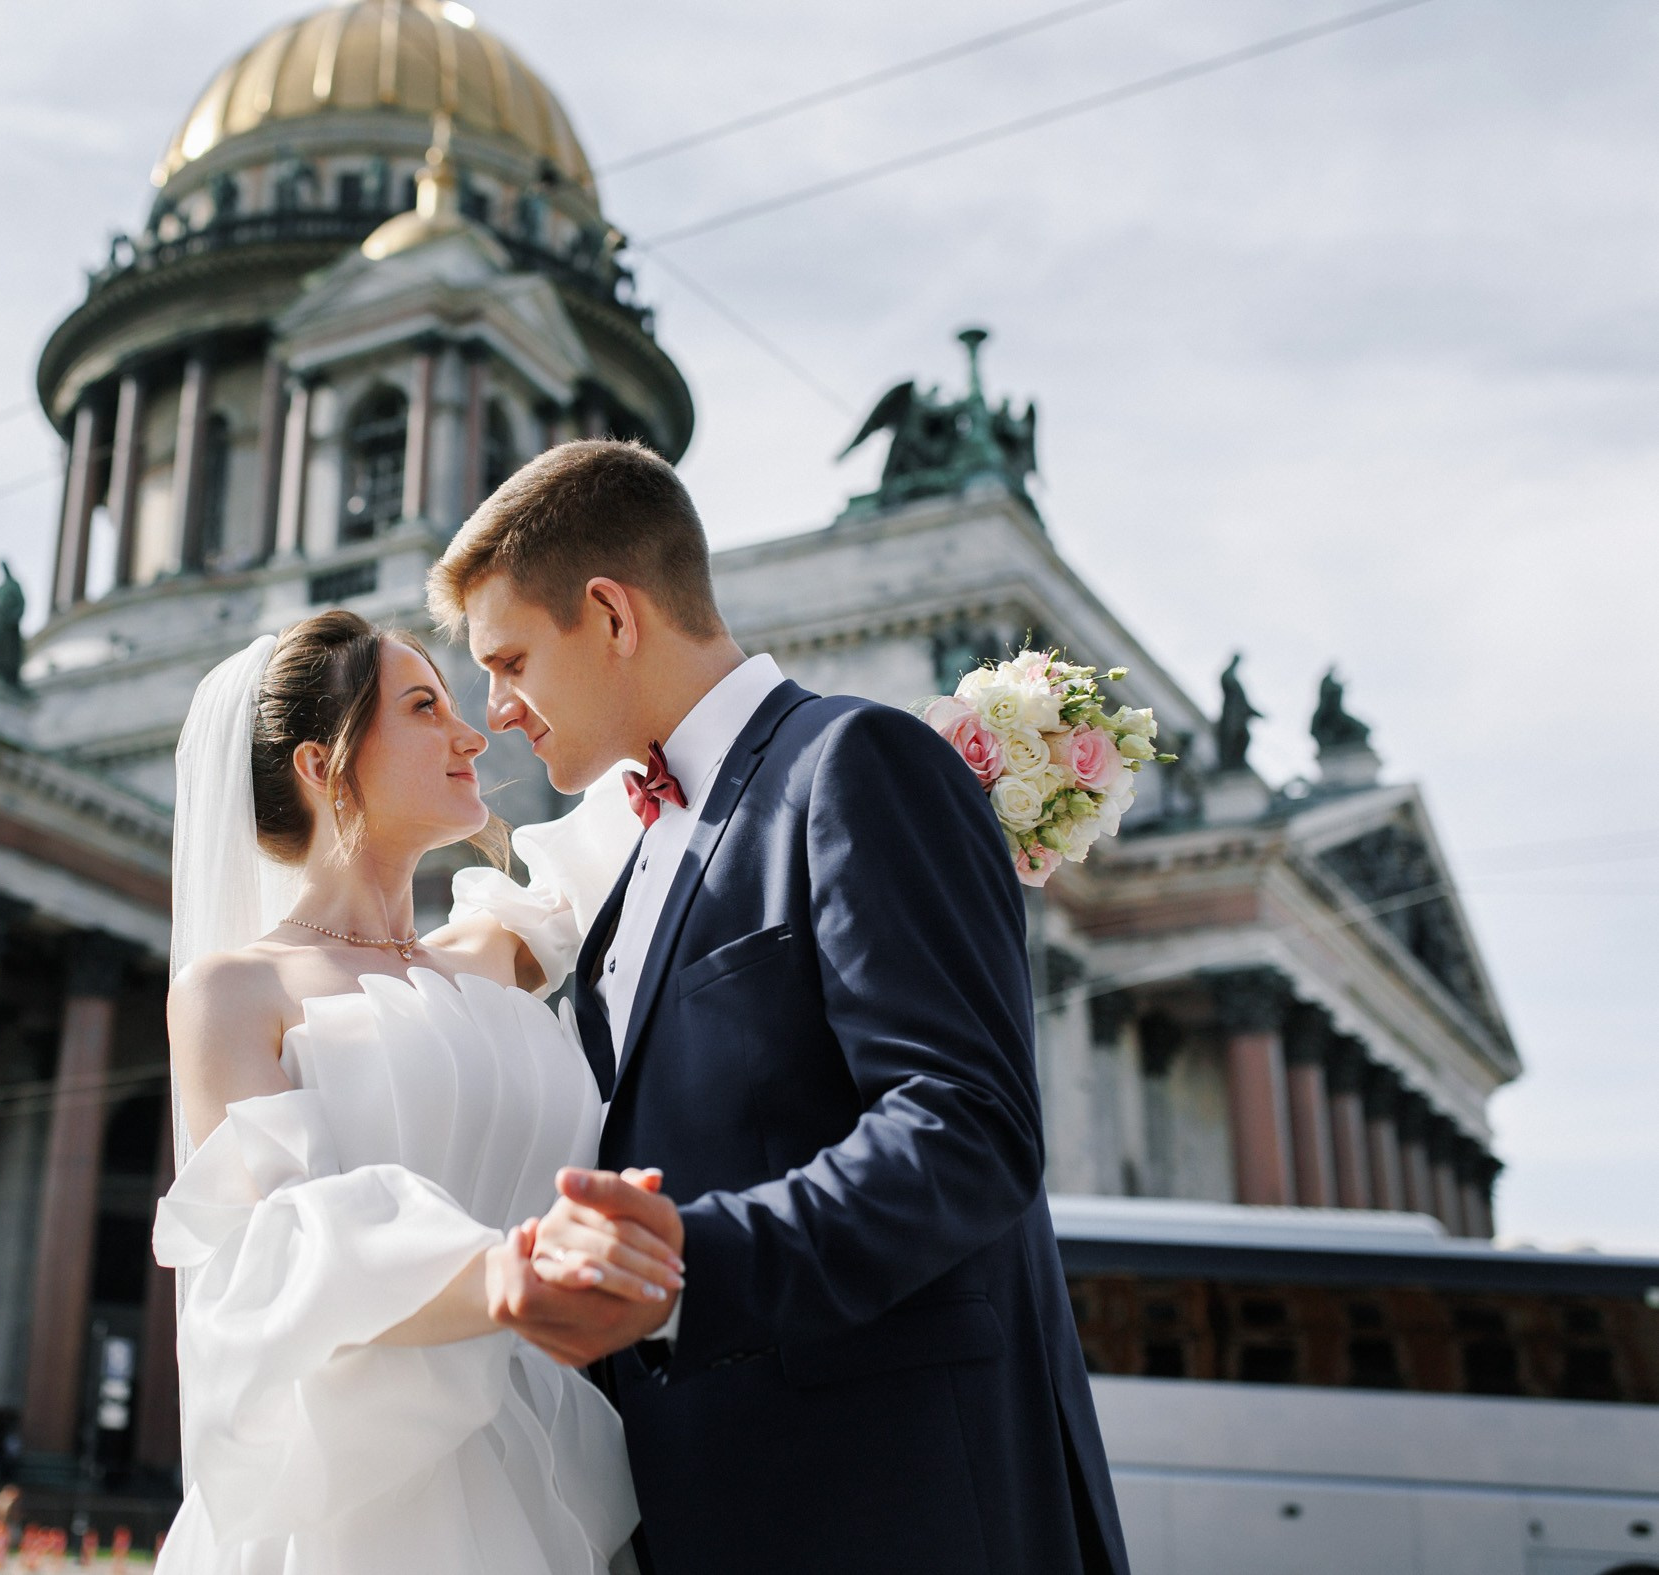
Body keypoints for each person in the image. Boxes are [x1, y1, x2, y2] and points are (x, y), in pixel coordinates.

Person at [429, 440, 1130, 1575]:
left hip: (895, 1513)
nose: (498, 710)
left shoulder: (855, 761)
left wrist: (686, 1270)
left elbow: (963, 1127)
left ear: (610, 615)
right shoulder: (632, 862)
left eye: (508, 661)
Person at [151, 610, 654, 1574]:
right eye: (426, 707)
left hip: (551, 1460)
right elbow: (274, 1247)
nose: (474, 736)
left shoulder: (491, 954)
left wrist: (941, 738)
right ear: (320, 764)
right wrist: (503, 1274)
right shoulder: (233, 993)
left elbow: (645, 815)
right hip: (364, 1500)